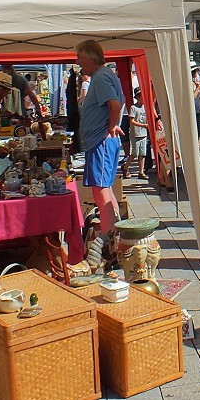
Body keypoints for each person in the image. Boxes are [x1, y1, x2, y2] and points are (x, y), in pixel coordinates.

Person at [76, 39, 125, 269]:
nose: (77, 62)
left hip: (101, 143)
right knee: (104, 190)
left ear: (90, 58)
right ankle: (114, 236)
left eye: (80, 57)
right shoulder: (105, 75)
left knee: (101, 191)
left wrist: (109, 129)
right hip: (100, 142)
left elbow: (115, 105)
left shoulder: (101, 77)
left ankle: (110, 244)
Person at [0, 63, 45, 135]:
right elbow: (31, 95)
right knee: (22, 135)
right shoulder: (21, 79)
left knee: (7, 135)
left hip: (6, 113)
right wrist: (38, 108)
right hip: (20, 113)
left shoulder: (1, 79)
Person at [126, 88, 149, 179]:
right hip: (135, 133)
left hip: (143, 133)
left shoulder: (145, 107)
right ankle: (126, 166)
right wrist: (143, 125)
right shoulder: (133, 108)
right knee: (134, 153)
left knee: (143, 153)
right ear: (138, 97)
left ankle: (141, 172)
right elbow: (131, 120)